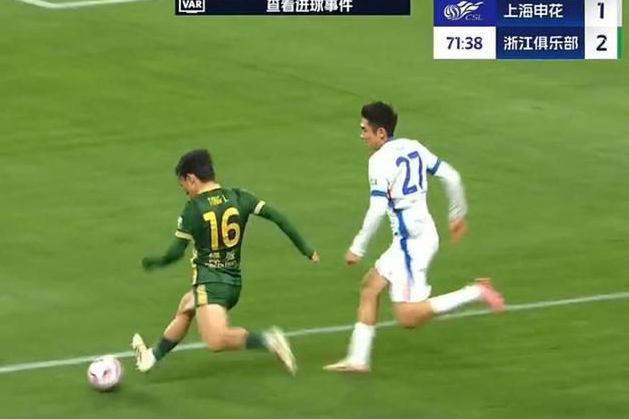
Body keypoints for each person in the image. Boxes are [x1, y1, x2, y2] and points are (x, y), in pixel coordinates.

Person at [324, 102, 504, 373]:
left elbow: (377, 209)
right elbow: (451, 177)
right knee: (370, 286)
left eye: (364, 130)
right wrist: (457, 214)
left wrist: (357, 247)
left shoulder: (378, 162)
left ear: (381, 133)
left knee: (407, 317)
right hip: (415, 236)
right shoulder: (413, 147)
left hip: (413, 244)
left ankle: (476, 292)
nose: (361, 135)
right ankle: (358, 359)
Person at [132, 149, 319, 375]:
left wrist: (155, 262)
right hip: (232, 283)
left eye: (184, 186)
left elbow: (175, 253)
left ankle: (268, 340)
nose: (186, 192)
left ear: (191, 178)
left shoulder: (194, 208)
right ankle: (151, 357)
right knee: (186, 307)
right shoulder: (239, 196)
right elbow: (277, 217)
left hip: (209, 284)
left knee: (216, 340)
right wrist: (307, 249)